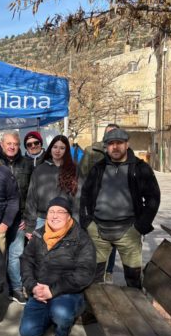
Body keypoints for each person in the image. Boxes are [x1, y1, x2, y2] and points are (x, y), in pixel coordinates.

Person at [80, 128, 161, 289]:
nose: (115, 147)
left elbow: (153, 198)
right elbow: (85, 196)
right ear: (106, 147)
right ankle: (93, 313)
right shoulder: (98, 168)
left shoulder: (140, 168)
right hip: (99, 232)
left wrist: (140, 227)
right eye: (111, 144)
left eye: (119, 143)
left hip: (129, 232)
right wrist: (87, 223)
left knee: (133, 279)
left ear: (127, 144)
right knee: (94, 279)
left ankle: (136, 312)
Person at [19, 197, 96, 336]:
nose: (55, 216)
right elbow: (26, 260)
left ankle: (63, 329)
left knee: (61, 313)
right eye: (51, 212)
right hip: (40, 289)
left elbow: (84, 273)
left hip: (66, 291)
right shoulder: (38, 234)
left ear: (69, 216)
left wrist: (53, 291)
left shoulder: (82, 239)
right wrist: (33, 286)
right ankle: (49, 315)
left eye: (60, 212)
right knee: (28, 333)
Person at [78, 123, 120, 280]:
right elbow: (82, 176)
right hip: (94, 205)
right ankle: (93, 272)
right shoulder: (91, 151)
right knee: (93, 239)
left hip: (115, 206)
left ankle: (108, 272)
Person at [0, 131, 33, 304]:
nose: (12, 147)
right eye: (8, 143)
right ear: (2, 144)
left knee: (16, 254)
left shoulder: (27, 164)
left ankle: (17, 289)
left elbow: (32, 194)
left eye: (15, 144)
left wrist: (27, 217)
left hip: (19, 219)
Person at [24, 135, 78, 236]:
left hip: (65, 220)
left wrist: (76, 224)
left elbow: (77, 200)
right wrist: (30, 226)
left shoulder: (74, 170)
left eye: (62, 148)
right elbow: (31, 199)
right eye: (55, 147)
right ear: (50, 148)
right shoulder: (39, 170)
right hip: (42, 220)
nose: (58, 151)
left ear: (66, 151)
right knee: (41, 251)